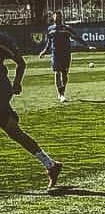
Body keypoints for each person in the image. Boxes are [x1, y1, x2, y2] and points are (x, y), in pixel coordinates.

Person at [0, 32, 63, 188]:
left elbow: (20, 63)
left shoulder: (2, 40)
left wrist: (16, 83)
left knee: (14, 132)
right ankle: (51, 165)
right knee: (15, 132)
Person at [38, 12, 91, 103]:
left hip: (66, 54)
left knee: (64, 74)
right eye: (55, 15)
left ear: (61, 18)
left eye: (59, 16)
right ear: (53, 17)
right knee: (57, 73)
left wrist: (86, 45)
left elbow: (76, 37)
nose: (57, 17)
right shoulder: (50, 29)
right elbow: (49, 42)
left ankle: (63, 91)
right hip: (55, 54)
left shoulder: (66, 29)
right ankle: (61, 94)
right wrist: (44, 51)